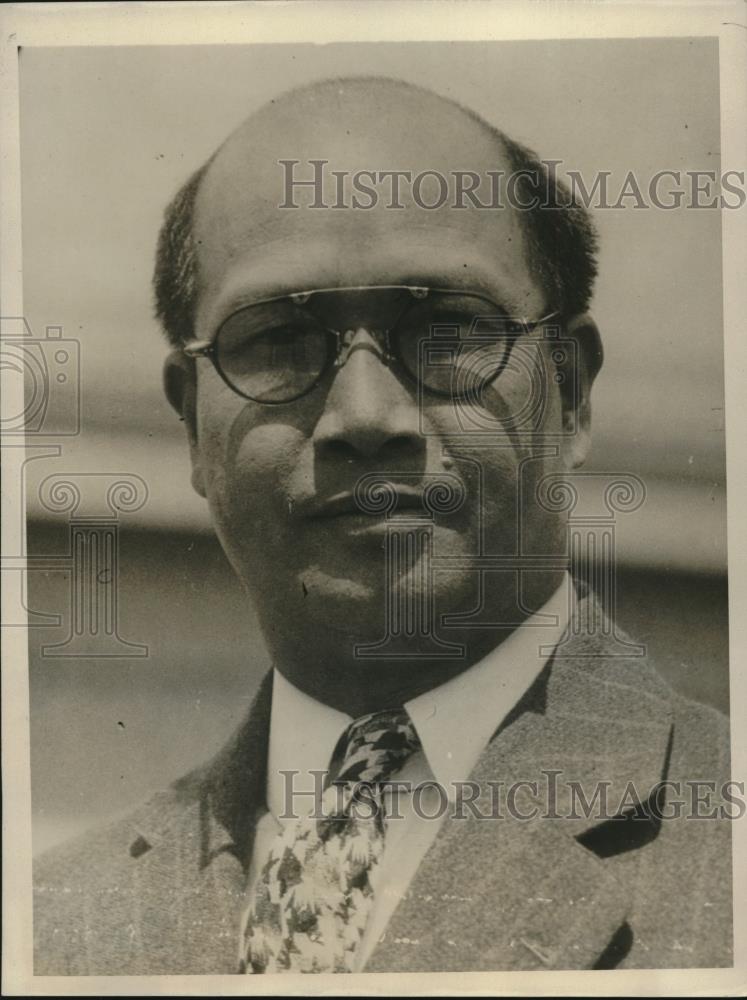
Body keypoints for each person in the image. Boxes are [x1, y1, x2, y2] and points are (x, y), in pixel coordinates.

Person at [33, 75, 731, 975]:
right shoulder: (56, 930)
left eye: (447, 330)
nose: (367, 416)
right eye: (277, 340)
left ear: (571, 392)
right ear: (191, 429)